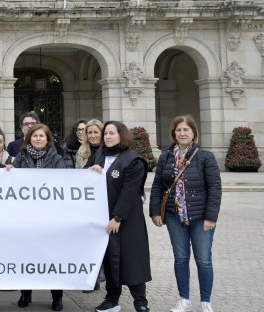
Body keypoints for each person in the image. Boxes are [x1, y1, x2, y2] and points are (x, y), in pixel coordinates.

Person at [149, 115, 222, 312]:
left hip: (200, 217)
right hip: (174, 215)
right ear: (173, 133)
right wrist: (155, 212)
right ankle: (184, 300)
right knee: (180, 258)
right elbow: (157, 186)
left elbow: (215, 188)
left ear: (193, 133)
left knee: (203, 259)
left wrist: (211, 217)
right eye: (178, 130)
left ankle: (206, 301)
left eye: (186, 130)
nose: (182, 133)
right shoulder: (166, 157)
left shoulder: (205, 157)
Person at [87, 121, 151, 312]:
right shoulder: (97, 156)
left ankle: (141, 302)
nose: (107, 137)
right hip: (102, 218)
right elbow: (84, 181)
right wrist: (91, 172)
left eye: (111, 133)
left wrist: (117, 217)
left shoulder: (133, 161)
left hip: (127, 220)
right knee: (109, 260)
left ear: (121, 135)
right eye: (105, 133)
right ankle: (111, 300)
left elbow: (129, 192)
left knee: (132, 260)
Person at [10, 123, 72, 311]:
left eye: (41, 136)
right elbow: (10, 182)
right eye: (34, 136)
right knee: (26, 256)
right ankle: (25, 292)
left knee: (52, 256)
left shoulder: (56, 157)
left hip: (49, 217)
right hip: (26, 216)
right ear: (29, 139)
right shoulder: (21, 157)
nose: (38, 139)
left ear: (47, 140)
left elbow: (62, 182)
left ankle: (57, 296)